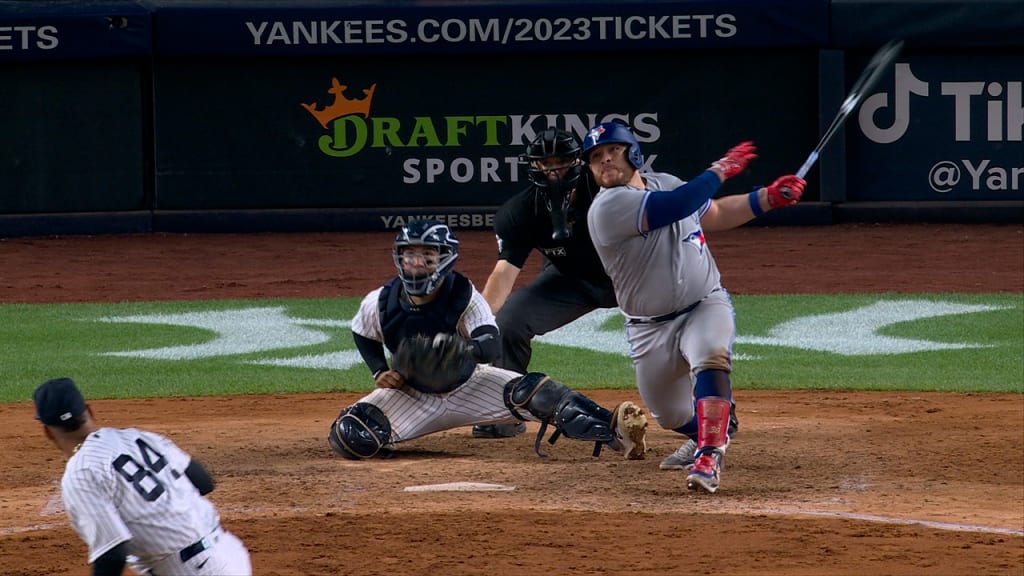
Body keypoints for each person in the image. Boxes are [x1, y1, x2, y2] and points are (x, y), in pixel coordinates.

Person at [582, 122, 806, 494]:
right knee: (668, 414)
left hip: (704, 302)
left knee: (709, 354)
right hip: (648, 327)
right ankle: (717, 420)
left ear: (634, 154)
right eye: (595, 157)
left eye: (613, 151)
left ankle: (709, 454)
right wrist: (720, 169)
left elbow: (713, 213)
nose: (604, 159)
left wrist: (767, 198)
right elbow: (680, 205)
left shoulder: (667, 182)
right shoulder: (608, 208)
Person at [329, 218, 648, 461]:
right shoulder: (380, 301)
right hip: (412, 396)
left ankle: (616, 430)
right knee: (350, 434)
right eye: (409, 255)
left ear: (444, 259)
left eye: (427, 256)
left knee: (537, 392)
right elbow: (362, 332)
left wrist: (455, 351)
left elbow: (490, 346)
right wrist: (377, 370)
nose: (417, 263)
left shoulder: (464, 296)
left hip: (470, 387)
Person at [472, 128, 616, 439]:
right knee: (507, 321)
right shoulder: (521, 212)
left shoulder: (609, 192)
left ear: (578, 161)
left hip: (629, 277)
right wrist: (477, 323)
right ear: (534, 167)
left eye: (562, 162)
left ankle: (706, 408)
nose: (554, 171)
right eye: (546, 164)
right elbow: (502, 274)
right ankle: (505, 413)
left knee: (675, 322)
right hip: (569, 280)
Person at [32, 377, 251, 576]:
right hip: (230, 552)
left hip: (191, 570)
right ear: (89, 410)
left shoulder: (80, 474)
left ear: (48, 432)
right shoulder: (138, 437)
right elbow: (203, 482)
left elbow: (113, 555)